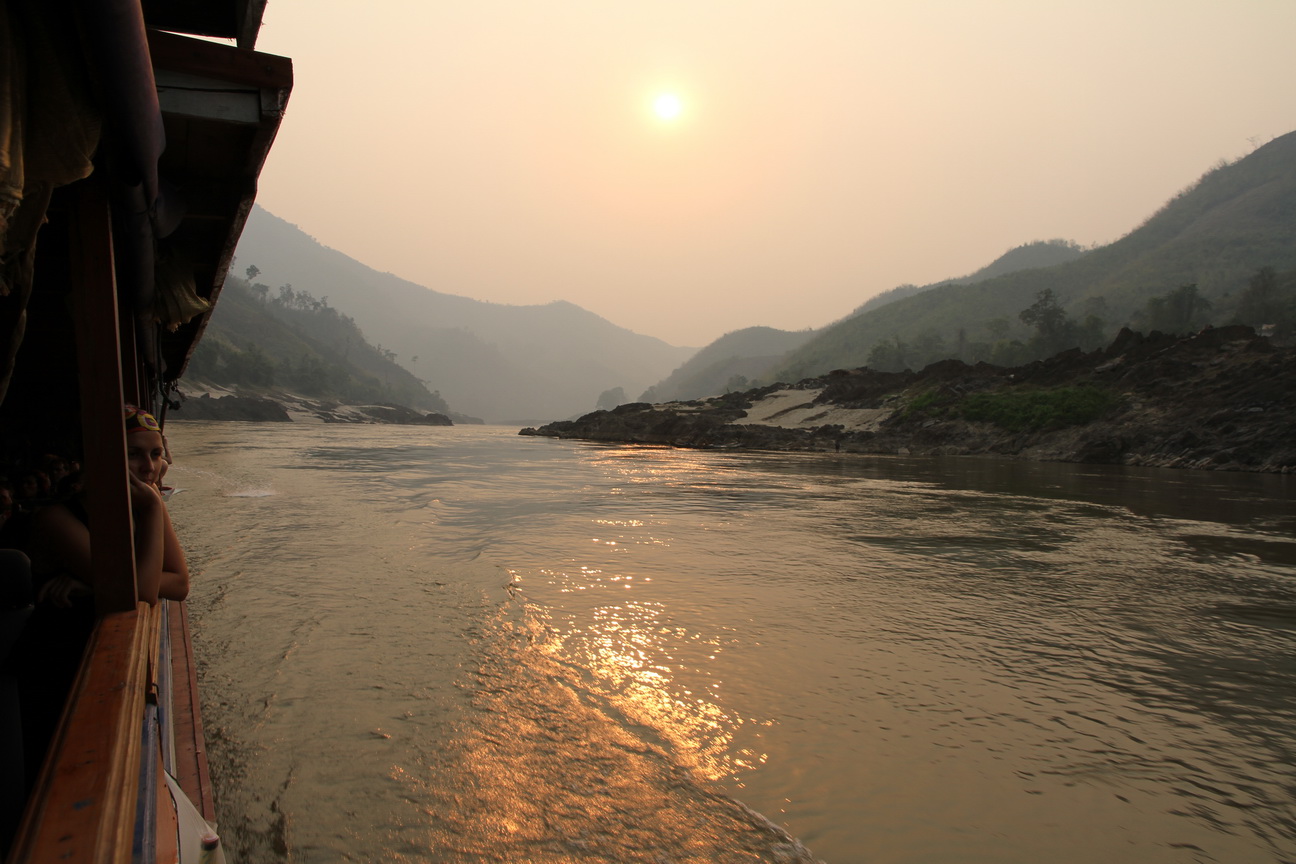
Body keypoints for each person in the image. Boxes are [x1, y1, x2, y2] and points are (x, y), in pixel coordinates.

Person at [27, 405, 189, 607]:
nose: (149, 467)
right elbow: (141, 593)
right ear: (100, 457)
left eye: (156, 454)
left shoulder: (148, 498)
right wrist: (152, 510)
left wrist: (101, 586)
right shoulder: (57, 519)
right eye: (133, 454)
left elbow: (181, 585)